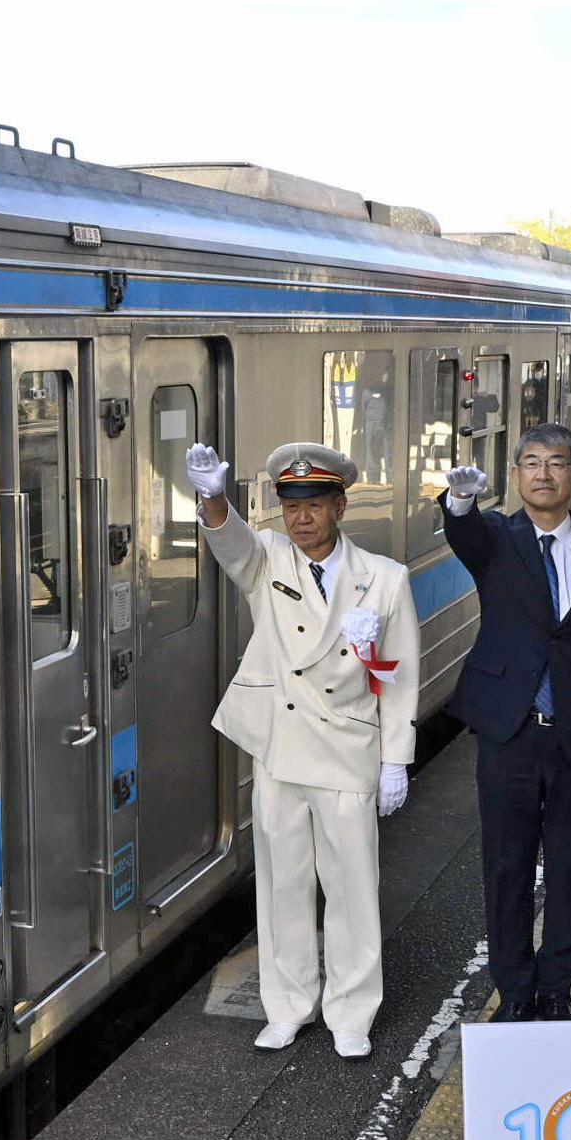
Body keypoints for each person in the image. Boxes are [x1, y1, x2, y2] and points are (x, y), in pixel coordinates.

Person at [185, 440, 422, 1056]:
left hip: (348, 750)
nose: (301, 518)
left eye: (314, 505)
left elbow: (396, 679)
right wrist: (213, 496)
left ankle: (351, 1016)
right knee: (282, 885)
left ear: (341, 506)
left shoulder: (385, 579)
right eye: (291, 507)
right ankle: (288, 1005)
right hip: (282, 747)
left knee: (351, 889)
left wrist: (396, 759)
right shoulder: (267, 560)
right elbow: (230, 543)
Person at [439, 425, 571, 1022]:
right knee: (505, 865)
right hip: (510, 732)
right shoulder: (496, 539)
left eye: (558, 463)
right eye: (531, 463)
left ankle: (558, 986)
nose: (544, 474)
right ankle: (514, 988)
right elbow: (464, 532)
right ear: (515, 474)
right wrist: (459, 502)